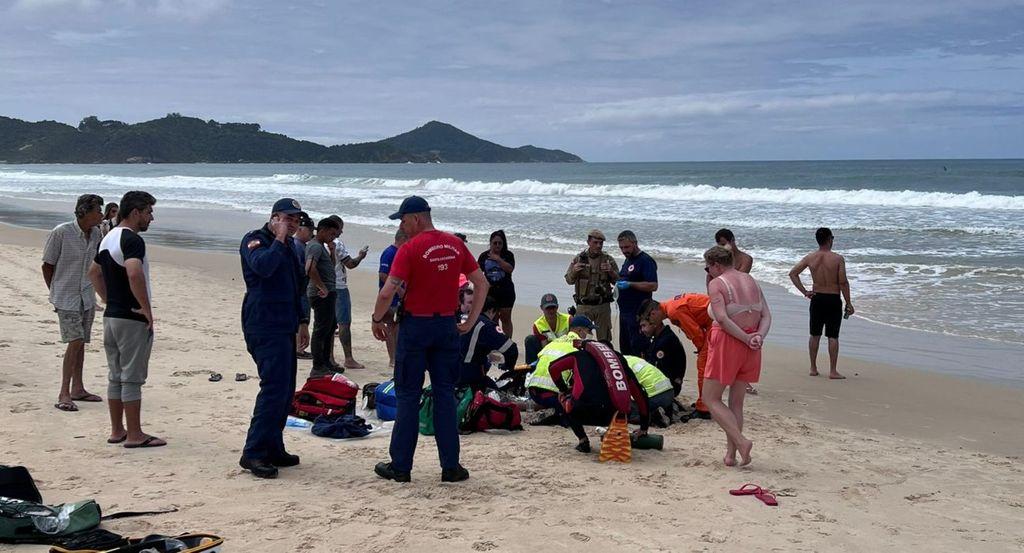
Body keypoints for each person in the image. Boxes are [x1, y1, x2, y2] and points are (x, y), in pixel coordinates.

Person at [371, 196, 488, 484]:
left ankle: (401, 466)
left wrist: (377, 319)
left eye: (403, 219)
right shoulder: (454, 244)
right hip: (446, 325)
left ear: (417, 218)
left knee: (409, 395)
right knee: (445, 394)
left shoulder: (410, 248)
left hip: (416, 326)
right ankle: (451, 467)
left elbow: (387, 291)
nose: (402, 225)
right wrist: (470, 321)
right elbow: (481, 282)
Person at [88, 191, 164, 449]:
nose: (151, 218)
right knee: (131, 377)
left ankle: (117, 430)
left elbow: (93, 272)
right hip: (131, 317)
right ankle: (134, 434)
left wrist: (109, 300)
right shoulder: (132, 240)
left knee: (115, 375)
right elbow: (134, 274)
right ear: (135, 212)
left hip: (112, 317)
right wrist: (146, 309)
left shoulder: (108, 237)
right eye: (148, 212)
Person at [236, 198, 306, 479]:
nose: (292, 224)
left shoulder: (291, 247)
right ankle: (253, 452)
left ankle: (273, 446)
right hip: (263, 323)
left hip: (286, 322)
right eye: (287, 219)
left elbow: (298, 285)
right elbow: (262, 267)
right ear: (274, 218)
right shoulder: (256, 240)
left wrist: (303, 321)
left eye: (296, 220)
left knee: (285, 389)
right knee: (273, 388)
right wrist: (278, 239)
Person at [703, 245, 772, 467]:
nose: (708, 272)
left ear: (716, 265)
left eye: (708, 267)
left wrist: (744, 338)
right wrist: (758, 336)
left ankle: (741, 442)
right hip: (752, 345)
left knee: (710, 398)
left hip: (729, 342)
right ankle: (731, 455)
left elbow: (722, 318)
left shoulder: (717, 283)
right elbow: (766, 315)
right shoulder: (751, 280)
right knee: (736, 403)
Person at [42, 193, 105, 412]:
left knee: (81, 344)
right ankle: (64, 392)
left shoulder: (97, 233)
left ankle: (78, 388)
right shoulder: (61, 232)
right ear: (84, 212)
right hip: (66, 297)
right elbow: (47, 265)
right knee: (75, 340)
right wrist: (56, 292)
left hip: (86, 296)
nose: (101, 215)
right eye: (98, 210)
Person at [548, 340, 651, 453]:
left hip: (582, 412)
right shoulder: (618, 361)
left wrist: (563, 389)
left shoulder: (579, 356)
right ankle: (615, 435)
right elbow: (639, 395)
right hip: (615, 416)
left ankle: (583, 440)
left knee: (563, 397)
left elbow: (553, 368)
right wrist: (644, 427)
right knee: (626, 404)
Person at [788, 227, 854, 379]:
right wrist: (848, 303)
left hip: (817, 299)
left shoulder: (811, 257)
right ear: (830, 239)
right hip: (832, 299)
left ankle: (813, 367)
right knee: (833, 336)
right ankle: (832, 371)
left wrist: (805, 292)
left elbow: (793, 273)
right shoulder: (837, 259)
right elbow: (843, 282)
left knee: (814, 334)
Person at [639, 294, 713, 419]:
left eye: (650, 320)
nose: (652, 323)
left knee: (703, 367)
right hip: (713, 316)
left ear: (653, 313)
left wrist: (701, 350)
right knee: (706, 366)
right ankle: (706, 402)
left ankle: (704, 408)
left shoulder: (674, 311)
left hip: (714, 320)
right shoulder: (671, 306)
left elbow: (696, 334)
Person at [712, 228, 756, 394]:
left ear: (732, 241)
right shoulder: (718, 262)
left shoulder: (745, 258)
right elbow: (716, 282)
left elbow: (736, 279)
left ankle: (743, 380)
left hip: (741, 304)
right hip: (723, 301)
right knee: (725, 340)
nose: (723, 248)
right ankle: (725, 376)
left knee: (741, 340)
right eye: (720, 245)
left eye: (724, 244)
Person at [525, 315, 594, 410]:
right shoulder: (580, 348)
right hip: (552, 394)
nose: (591, 334)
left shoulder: (555, 342)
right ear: (579, 330)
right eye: (589, 331)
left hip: (533, 392)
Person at [329, 215, 369, 370]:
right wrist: (361, 256)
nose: (341, 232)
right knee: (344, 323)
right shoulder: (337, 244)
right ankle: (349, 358)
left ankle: (330, 357)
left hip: (326, 287)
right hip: (339, 286)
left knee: (329, 324)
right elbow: (350, 264)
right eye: (340, 228)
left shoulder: (319, 243)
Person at [564, 229, 618, 342]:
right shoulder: (579, 259)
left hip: (602, 306)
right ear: (588, 242)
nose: (598, 246)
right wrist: (574, 271)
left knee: (605, 340)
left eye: (601, 243)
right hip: (583, 306)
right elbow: (569, 280)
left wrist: (611, 271)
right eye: (595, 242)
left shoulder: (608, 259)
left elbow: (619, 282)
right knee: (581, 339)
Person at [636, 300, 687, 415]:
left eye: (644, 326)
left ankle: (663, 408)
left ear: (654, 322)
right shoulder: (661, 337)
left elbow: (656, 370)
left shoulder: (663, 342)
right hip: (670, 384)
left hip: (667, 386)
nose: (642, 330)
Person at [306, 217, 342, 378]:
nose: (334, 237)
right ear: (323, 230)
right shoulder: (314, 246)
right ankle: (318, 366)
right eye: (332, 233)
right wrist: (322, 287)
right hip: (320, 294)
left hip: (327, 291)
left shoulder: (322, 247)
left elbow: (329, 267)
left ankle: (326, 363)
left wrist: (332, 251)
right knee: (321, 329)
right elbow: (309, 268)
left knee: (329, 328)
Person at [458, 296, 519, 391]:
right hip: (468, 376)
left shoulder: (461, 317)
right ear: (491, 310)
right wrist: (508, 368)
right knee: (498, 393)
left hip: (446, 371)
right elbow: (511, 349)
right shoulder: (486, 325)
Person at [615, 230, 658, 356]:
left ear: (635, 243)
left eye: (627, 247)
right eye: (621, 248)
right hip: (624, 313)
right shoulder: (628, 260)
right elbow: (623, 278)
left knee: (638, 348)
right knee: (625, 348)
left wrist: (630, 284)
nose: (624, 251)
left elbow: (653, 285)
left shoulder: (646, 261)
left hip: (638, 313)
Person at [378, 229, 408, 368]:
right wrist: (399, 289)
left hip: (401, 298)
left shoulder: (403, 253)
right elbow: (383, 275)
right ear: (403, 239)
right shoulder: (389, 253)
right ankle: (392, 359)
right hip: (391, 297)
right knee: (390, 327)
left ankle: (398, 355)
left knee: (398, 328)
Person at [478, 230, 516, 338]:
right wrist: (483, 284)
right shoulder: (483, 256)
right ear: (490, 243)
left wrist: (498, 259)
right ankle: (495, 341)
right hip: (490, 292)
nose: (497, 245)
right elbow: (477, 272)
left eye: (500, 243)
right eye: (495, 243)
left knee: (506, 318)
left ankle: (508, 341)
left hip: (506, 291)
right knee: (492, 318)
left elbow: (510, 269)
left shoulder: (508, 255)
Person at [623, 355, 674, 427]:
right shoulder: (631, 358)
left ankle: (654, 417)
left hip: (655, 397)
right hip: (670, 392)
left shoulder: (619, 365)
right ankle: (667, 411)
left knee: (627, 409)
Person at [524, 293, 570, 364]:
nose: (551, 311)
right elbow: (545, 348)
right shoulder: (538, 325)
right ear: (541, 308)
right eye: (548, 308)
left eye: (553, 307)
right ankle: (531, 368)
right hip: (549, 350)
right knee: (530, 339)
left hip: (566, 350)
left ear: (557, 307)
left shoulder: (568, 319)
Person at [293, 213, 314, 360]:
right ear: (300, 229)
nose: (312, 233)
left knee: (302, 317)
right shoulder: (297, 246)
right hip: (300, 289)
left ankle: (298, 347)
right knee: (302, 318)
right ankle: (299, 349)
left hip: (301, 288)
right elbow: (302, 270)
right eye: (310, 230)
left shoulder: (300, 246)